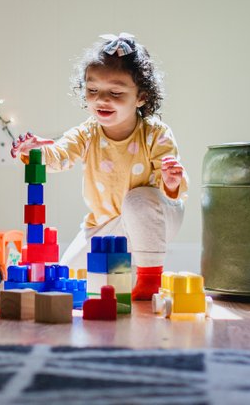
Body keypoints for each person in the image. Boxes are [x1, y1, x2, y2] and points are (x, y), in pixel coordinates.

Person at [10, 32, 187, 300]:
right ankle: (127, 274)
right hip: (106, 226)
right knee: (67, 281)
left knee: (137, 201)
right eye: (93, 91)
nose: (101, 99)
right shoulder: (87, 133)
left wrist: (171, 183)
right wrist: (36, 152)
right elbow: (60, 153)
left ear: (141, 97)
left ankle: (150, 279)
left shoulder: (155, 133)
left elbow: (170, 184)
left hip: (157, 216)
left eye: (115, 92)